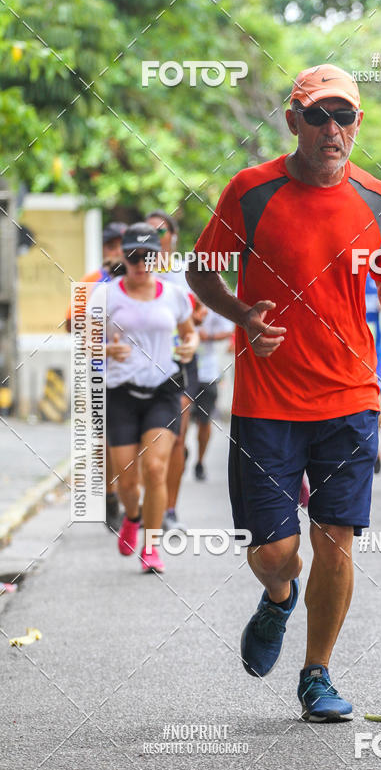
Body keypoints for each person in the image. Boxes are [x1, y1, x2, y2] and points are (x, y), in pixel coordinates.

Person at [187, 64, 381, 722]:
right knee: (274, 552)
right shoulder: (251, 192)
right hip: (267, 403)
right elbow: (201, 274)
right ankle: (279, 596)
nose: (331, 129)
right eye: (317, 116)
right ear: (293, 121)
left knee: (337, 539)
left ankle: (317, 674)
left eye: (343, 116)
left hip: (350, 398)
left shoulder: (380, 202)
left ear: (357, 125)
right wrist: (240, 314)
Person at [93, 222, 198, 573]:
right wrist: (107, 349)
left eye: (147, 256)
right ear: (123, 257)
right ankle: (132, 518)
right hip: (121, 394)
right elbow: (84, 341)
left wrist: (189, 345)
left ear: (159, 257)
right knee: (127, 481)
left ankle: (151, 547)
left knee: (155, 468)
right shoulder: (106, 296)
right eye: (134, 256)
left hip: (163, 391)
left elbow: (189, 332)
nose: (140, 263)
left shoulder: (174, 295)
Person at [66, 221, 127, 532]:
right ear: (105, 249)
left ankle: (133, 496)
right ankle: (110, 494)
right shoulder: (92, 281)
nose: (117, 251)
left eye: (122, 245)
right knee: (106, 439)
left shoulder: (140, 279)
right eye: (112, 245)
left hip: (137, 374)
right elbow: (70, 323)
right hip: (100, 372)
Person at [145, 210, 199, 531]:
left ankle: (169, 509)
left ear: (173, 238)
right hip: (138, 363)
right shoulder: (129, 272)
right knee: (144, 440)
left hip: (179, 361)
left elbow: (202, 312)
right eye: (147, 232)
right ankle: (142, 496)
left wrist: (195, 325)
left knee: (177, 435)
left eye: (160, 233)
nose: (153, 239)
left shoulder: (184, 272)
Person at [192, 306, 234, 480]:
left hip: (207, 372)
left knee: (204, 421)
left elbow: (229, 331)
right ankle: (180, 449)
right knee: (179, 419)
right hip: (181, 371)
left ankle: (200, 461)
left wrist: (208, 336)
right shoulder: (179, 292)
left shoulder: (212, 296)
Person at [365, 272, 381, 474]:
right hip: (349, 353)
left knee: (376, 403)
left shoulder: (375, 277)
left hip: (375, 352)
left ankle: (375, 446)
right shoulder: (341, 273)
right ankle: (370, 447)